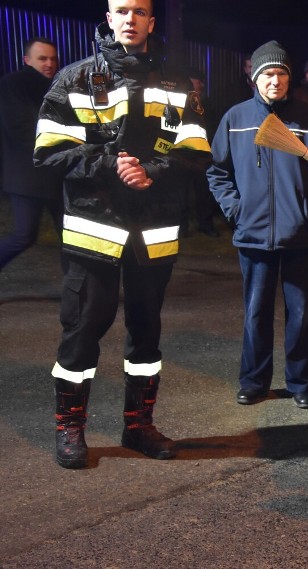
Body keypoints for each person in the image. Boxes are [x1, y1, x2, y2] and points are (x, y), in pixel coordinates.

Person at [33, 0, 212, 469]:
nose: (130, 19)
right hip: (95, 229)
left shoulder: (177, 82)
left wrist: (150, 171)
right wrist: (111, 164)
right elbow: (48, 151)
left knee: (146, 331)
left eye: (139, 11)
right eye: (121, 10)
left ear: (151, 21)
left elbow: (195, 152)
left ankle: (139, 425)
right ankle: (69, 428)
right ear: (108, 18)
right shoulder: (74, 78)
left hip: (153, 230)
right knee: (84, 327)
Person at [207, 40, 308, 410]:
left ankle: (301, 382)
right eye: (268, 74)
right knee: (256, 312)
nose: (275, 81)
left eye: (281, 74)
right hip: (253, 234)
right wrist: (235, 210)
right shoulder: (236, 119)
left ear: (290, 79)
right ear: (255, 78)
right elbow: (218, 172)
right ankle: (254, 381)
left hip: (300, 234)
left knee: (302, 314)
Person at [0, 37, 64, 272]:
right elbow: (21, 129)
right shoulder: (12, 85)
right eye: (42, 58)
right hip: (27, 177)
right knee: (24, 236)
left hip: (56, 176)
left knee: (71, 239)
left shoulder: (59, 86)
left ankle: (78, 296)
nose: (49, 63)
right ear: (27, 60)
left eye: (53, 59)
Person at [185, 66, 222, 237]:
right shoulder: (181, 103)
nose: (194, 85)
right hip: (184, 154)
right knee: (182, 193)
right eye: (191, 82)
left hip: (204, 155)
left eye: (196, 82)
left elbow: (214, 128)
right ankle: (182, 227)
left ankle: (206, 224)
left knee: (205, 193)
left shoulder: (209, 104)